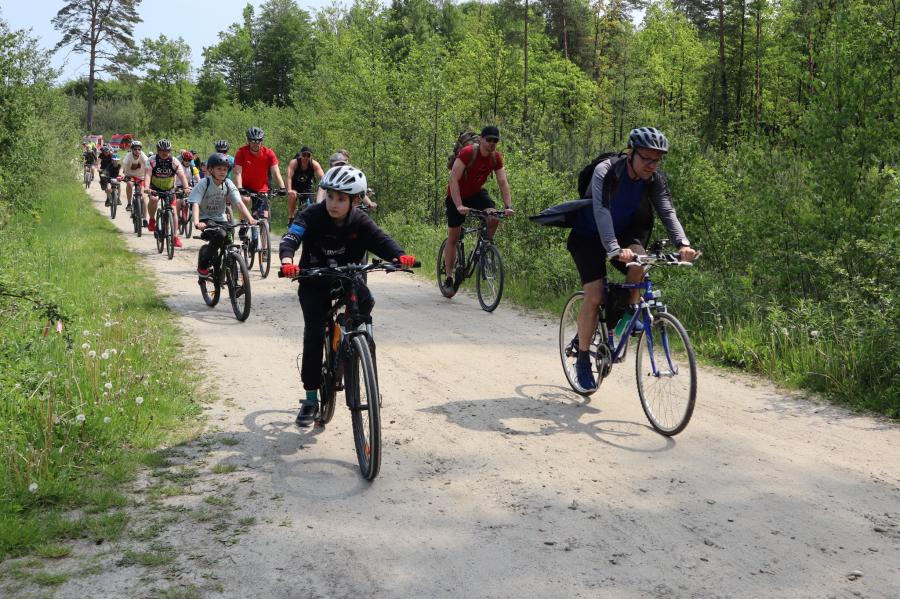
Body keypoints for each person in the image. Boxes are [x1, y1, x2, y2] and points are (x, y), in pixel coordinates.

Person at [278, 165, 416, 427]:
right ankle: (310, 399)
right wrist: (287, 260)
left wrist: (399, 256)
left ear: (355, 200)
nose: (333, 203)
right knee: (314, 332)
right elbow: (292, 236)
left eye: (341, 199)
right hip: (314, 278)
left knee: (366, 300)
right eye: (330, 196)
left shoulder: (360, 221)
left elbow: (380, 240)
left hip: (348, 277)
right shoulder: (312, 215)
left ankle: (350, 344)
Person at [568, 126, 697, 391]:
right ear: (631, 154)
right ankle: (582, 359)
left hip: (623, 233)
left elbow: (667, 210)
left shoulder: (654, 179)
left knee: (642, 262)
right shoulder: (606, 170)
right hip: (588, 235)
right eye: (646, 158)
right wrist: (614, 248)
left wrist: (683, 243)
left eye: (657, 160)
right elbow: (601, 210)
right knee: (595, 296)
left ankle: (624, 315)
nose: (652, 165)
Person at [442, 125, 513, 297]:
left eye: (495, 141)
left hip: (475, 194)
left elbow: (503, 182)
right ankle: (449, 278)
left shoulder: (496, 158)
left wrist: (508, 206)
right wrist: (459, 205)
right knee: (453, 237)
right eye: (489, 140)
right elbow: (453, 179)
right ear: (481, 139)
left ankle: (484, 246)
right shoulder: (467, 153)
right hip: (456, 195)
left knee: (493, 216)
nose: (492, 143)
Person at [190, 153, 257, 277]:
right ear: (211, 170)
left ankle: (232, 274)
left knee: (229, 242)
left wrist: (250, 218)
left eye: (225, 169)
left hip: (221, 219)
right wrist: (197, 222)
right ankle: (203, 265)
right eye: (219, 169)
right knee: (220, 234)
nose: (222, 172)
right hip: (205, 218)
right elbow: (195, 203)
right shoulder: (204, 183)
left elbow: (239, 203)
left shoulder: (228, 184)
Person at [144, 139, 191, 247]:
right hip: (154, 188)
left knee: (173, 211)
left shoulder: (174, 161)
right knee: (154, 199)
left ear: (170, 151)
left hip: (169, 189)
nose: (165, 153)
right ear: (158, 151)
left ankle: (175, 237)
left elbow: (182, 175)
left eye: (167, 151)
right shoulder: (151, 160)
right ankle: (152, 220)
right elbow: (147, 175)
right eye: (162, 150)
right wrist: (146, 187)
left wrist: (186, 187)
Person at [233, 127, 285, 222]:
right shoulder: (241, 153)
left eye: (258, 140)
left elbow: (276, 172)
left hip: (262, 187)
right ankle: (243, 223)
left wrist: (282, 187)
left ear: (262, 141)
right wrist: (240, 188)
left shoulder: (269, 153)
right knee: (245, 200)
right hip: (245, 186)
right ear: (248, 141)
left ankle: (264, 226)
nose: (256, 143)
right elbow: (238, 172)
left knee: (263, 212)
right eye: (253, 141)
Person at [285, 145, 325, 226]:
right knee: (292, 195)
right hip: (294, 187)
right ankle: (291, 217)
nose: (306, 158)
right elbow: (289, 177)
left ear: (311, 156)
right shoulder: (294, 163)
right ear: (300, 155)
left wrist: (324, 189)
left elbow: (323, 177)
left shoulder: (314, 164)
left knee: (311, 204)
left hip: (307, 188)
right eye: (304, 155)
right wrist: (289, 190)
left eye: (308, 155)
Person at [122, 140, 150, 225]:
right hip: (130, 175)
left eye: (139, 149)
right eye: (135, 149)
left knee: (144, 197)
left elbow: (148, 165)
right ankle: (129, 204)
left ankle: (145, 219)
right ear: (132, 149)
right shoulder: (128, 156)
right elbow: (123, 166)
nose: (137, 150)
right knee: (129, 184)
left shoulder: (143, 155)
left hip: (141, 177)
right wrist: (120, 175)